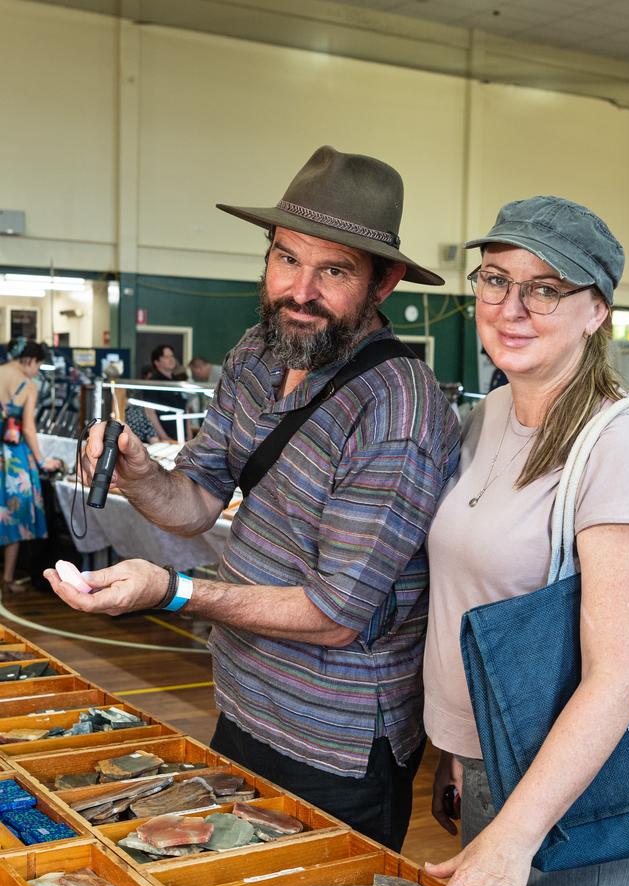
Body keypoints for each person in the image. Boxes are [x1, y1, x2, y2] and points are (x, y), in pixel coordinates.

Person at [44, 145, 460, 850]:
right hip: (244, 700)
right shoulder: (260, 353)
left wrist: (173, 591)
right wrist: (140, 469)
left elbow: (335, 615)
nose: (300, 290)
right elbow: (200, 499)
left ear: (383, 282)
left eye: (333, 271)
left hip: (335, 741)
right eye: (287, 258)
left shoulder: (398, 414)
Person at [420, 196, 629, 886]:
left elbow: (616, 677)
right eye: (495, 279)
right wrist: (456, 750)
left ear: (596, 311)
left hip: (569, 797)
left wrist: (514, 835)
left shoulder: (618, 441)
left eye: (545, 288)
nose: (512, 307)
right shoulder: (486, 418)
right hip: (493, 766)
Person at [0, 339, 60, 592]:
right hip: (13, 456)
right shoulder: (29, 386)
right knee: (16, 515)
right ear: (31, 360)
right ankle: (7, 579)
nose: (37, 371)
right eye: (39, 365)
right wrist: (42, 460)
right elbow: (29, 428)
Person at [139, 345, 187, 440]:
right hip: (163, 438)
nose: (171, 359)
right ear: (156, 362)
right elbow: (150, 412)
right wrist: (164, 438)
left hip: (182, 436)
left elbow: (185, 410)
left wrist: (189, 437)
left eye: (172, 356)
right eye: (166, 357)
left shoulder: (178, 381)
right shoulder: (153, 382)